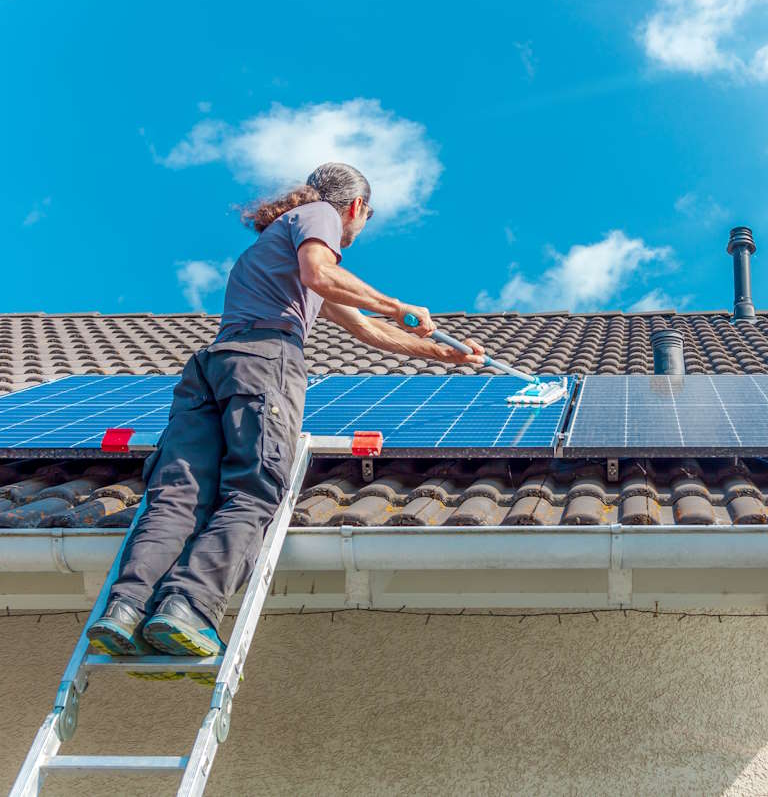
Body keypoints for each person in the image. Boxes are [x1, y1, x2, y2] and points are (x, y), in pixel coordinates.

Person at [88, 162, 484, 657]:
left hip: (212, 368)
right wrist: (399, 304)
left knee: (178, 496)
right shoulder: (319, 216)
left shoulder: (273, 245)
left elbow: (364, 328)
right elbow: (323, 273)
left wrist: (444, 354)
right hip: (263, 364)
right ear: (356, 207)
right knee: (253, 490)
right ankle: (187, 607)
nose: (356, 231)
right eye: (363, 220)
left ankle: (124, 608)